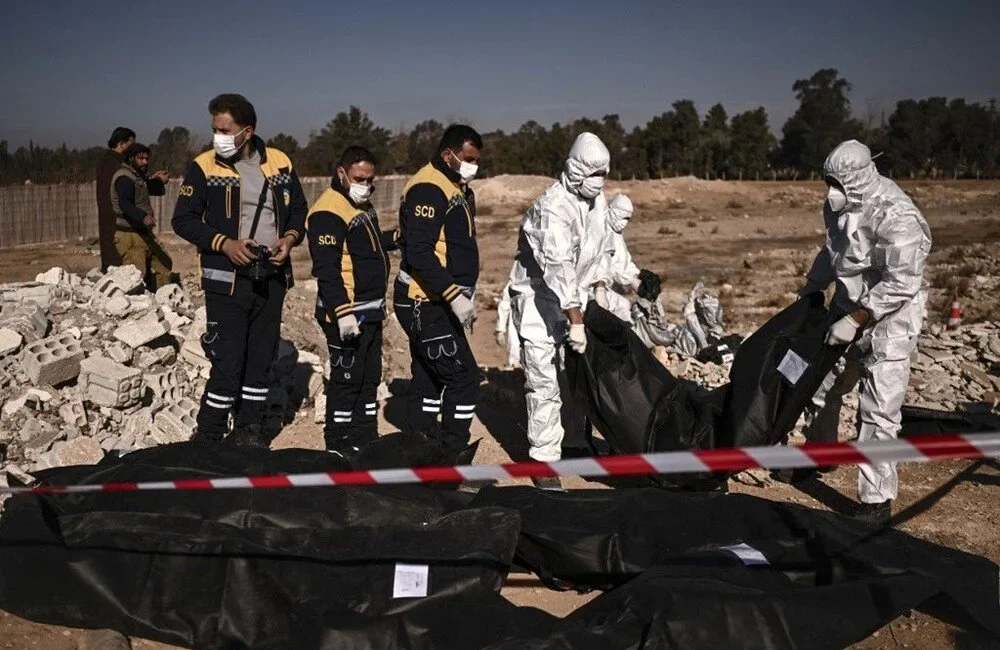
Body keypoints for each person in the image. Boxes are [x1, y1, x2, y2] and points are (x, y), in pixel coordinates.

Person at [798, 139, 931, 527]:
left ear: (858, 177)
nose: (830, 191)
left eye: (838, 183)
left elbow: (902, 281)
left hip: (890, 322)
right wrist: (813, 286)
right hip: (847, 311)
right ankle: (820, 456)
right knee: (821, 389)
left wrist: (858, 319)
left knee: (877, 411)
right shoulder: (837, 205)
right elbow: (832, 252)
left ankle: (875, 502)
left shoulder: (897, 215)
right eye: (828, 182)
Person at [172, 94, 307, 447]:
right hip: (226, 281)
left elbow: (298, 212)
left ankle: (250, 432)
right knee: (228, 360)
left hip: (271, 275)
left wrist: (289, 241)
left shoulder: (279, 162)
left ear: (247, 132)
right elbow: (183, 220)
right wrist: (225, 244)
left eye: (224, 130)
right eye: (215, 129)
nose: (217, 136)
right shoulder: (204, 167)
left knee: (261, 357)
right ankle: (210, 434)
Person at [507, 132, 612, 489]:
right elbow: (558, 265)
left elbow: (601, 247)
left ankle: (575, 442)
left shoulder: (595, 200)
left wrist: (597, 294)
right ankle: (543, 460)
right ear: (574, 170)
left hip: (575, 301)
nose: (600, 181)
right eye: (594, 173)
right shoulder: (550, 207)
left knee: (575, 378)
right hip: (539, 301)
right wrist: (576, 319)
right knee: (543, 382)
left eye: (604, 174)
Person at [393, 125, 483, 455]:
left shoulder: (451, 185)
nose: (474, 166)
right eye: (469, 159)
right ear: (448, 155)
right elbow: (419, 251)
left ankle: (421, 452)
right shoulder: (430, 188)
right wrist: (453, 296)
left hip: (436, 302)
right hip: (426, 302)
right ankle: (451, 458)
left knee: (429, 379)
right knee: (464, 381)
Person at [307, 146, 396, 457]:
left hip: (370, 311)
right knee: (347, 380)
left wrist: (394, 239)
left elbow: (364, 248)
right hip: (346, 316)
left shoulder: (361, 204)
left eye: (370, 180)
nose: (366, 185)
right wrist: (342, 314)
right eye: (359, 178)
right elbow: (327, 269)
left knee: (369, 377)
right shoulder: (327, 211)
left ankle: (365, 435)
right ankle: (339, 444)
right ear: (341, 172)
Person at [110, 142, 173, 290]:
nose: (145, 161)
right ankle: (135, 307)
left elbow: (145, 187)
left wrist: (159, 180)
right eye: (141, 158)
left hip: (143, 233)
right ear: (131, 158)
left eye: (146, 158)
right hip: (129, 234)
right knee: (135, 277)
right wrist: (142, 216)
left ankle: (163, 301)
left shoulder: (136, 176)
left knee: (164, 264)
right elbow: (125, 203)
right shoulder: (124, 177)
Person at [594, 193, 661, 322]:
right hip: (590, 284)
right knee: (622, 309)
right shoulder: (599, 228)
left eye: (627, 218)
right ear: (611, 210)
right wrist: (631, 279)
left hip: (603, 285)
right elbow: (610, 265)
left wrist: (638, 278)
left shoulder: (615, 233)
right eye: (621, 217)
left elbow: (622, 261)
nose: (623, 222)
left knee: (623, 308)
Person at [96, 127, 135, 270]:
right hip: (114, 217)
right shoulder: (113, 164)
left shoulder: (109, 161)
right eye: (131, 144)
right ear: (122, 144)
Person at [494, 282, 521, 369]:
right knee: (516, 364)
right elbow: (505, 302)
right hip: (518, 326)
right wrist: (500, 330)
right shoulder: (518, 274)